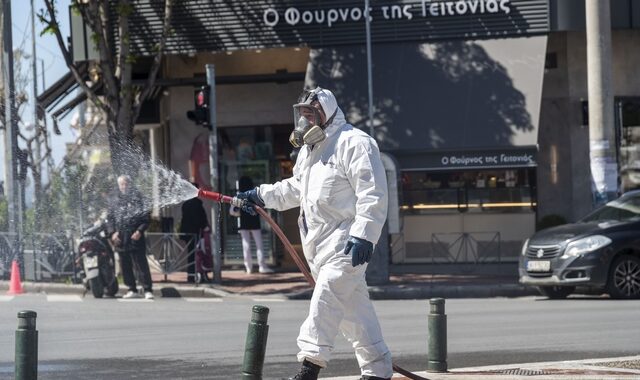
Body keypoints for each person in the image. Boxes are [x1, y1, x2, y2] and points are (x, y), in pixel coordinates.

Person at [236, 87, 392, 380]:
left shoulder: (355, 143)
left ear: (325, 114)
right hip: (318, 248)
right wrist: (260, 195)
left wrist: (364, 236)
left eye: (310, 115)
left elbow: (373, 194)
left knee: (325, 298)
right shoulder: (309, 153)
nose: (305, 121)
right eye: (303, 115)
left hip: (347, 243)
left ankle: (309, 367)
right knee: (353, 313)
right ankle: (378, 370)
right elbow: (295, 188)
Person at [108, 174, 154, 300]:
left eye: (126, 183)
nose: (124, 186)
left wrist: (139, 231)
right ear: (119, 186)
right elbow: (110, 219)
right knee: (125, 264)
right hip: (121, 238)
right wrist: (112, 233)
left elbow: (146, 218)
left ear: (130, 184)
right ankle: (131, 288)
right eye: (122, 184)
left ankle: (147, 289)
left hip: (135, 236)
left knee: (140, 264)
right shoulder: (114, 200)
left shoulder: (138, 198)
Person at [232, 176, 274, 274]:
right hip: (255, 221)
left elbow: (232, 211)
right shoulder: (253, 194)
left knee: (246, 245)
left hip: (243, 222)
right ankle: (262, 266)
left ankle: (248, 267)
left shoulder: (239, 196)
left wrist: (239, 213)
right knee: (259, 244)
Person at [179, 182, 210, 283]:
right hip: (196, 232)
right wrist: (205, 226)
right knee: (199, 254)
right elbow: (200, 219)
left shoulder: (186, 203)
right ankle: (198, 274)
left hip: (188, 232)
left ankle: (191, 275)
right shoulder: (197, 204)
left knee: (191, 254)